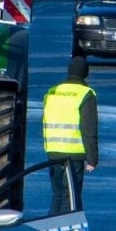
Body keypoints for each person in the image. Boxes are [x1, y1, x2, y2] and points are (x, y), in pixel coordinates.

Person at [42, 55, 98, 216]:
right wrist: (92, 157)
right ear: (85, 73)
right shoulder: (86, 94)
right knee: (72, 197)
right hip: (74, 154)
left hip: (53, 150)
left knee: (58, 194)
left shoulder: (52, 91)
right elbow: (89, 129)